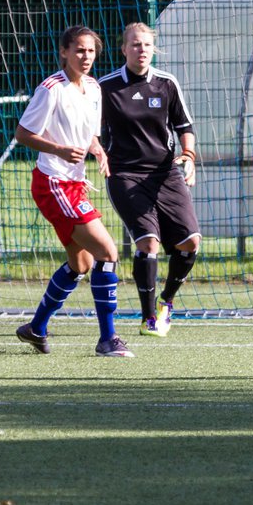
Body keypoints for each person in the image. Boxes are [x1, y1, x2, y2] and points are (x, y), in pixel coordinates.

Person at [14, 25, 132, 357]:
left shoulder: (94, 88)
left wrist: (98, 150)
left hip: (73, 184)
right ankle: (108, 339)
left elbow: (89, 134)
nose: (86, 56)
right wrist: (59, 150)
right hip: (53, 183)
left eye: (91, 51)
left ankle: (35, 329)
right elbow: (23, 133)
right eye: (79, 50)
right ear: (64, 52)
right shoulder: (51, 89)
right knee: (107, 252)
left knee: (80, 265)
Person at [98, 22, 201, 338]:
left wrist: (189, 157)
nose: (141, 49)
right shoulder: (106, 87)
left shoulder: (167, 84)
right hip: (125, 174)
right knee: (148, 242)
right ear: (124, 48)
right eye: (135, 44)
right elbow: (91, 131)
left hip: (166, 173)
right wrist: (94, 153)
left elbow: (185, 127)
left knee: (190, 242)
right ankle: (147, 318)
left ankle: (165, 301)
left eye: (146, 45)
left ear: (153, 49)